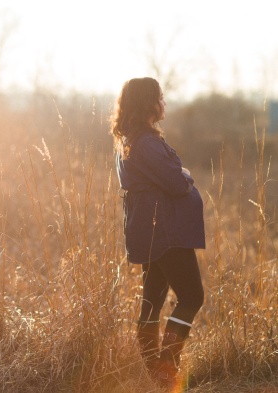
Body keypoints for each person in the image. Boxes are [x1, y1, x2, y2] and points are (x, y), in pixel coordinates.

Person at [110, 77, 205, 389]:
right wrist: (186, 174)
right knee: (191, 295)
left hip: (151, 230)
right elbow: (176, 183)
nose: (164, 103)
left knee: (153, 300)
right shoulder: (147, 144)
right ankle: (166, 365)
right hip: (164, 232)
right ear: (148, 103)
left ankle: (153, 371)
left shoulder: (132, 140)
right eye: (160, 98)